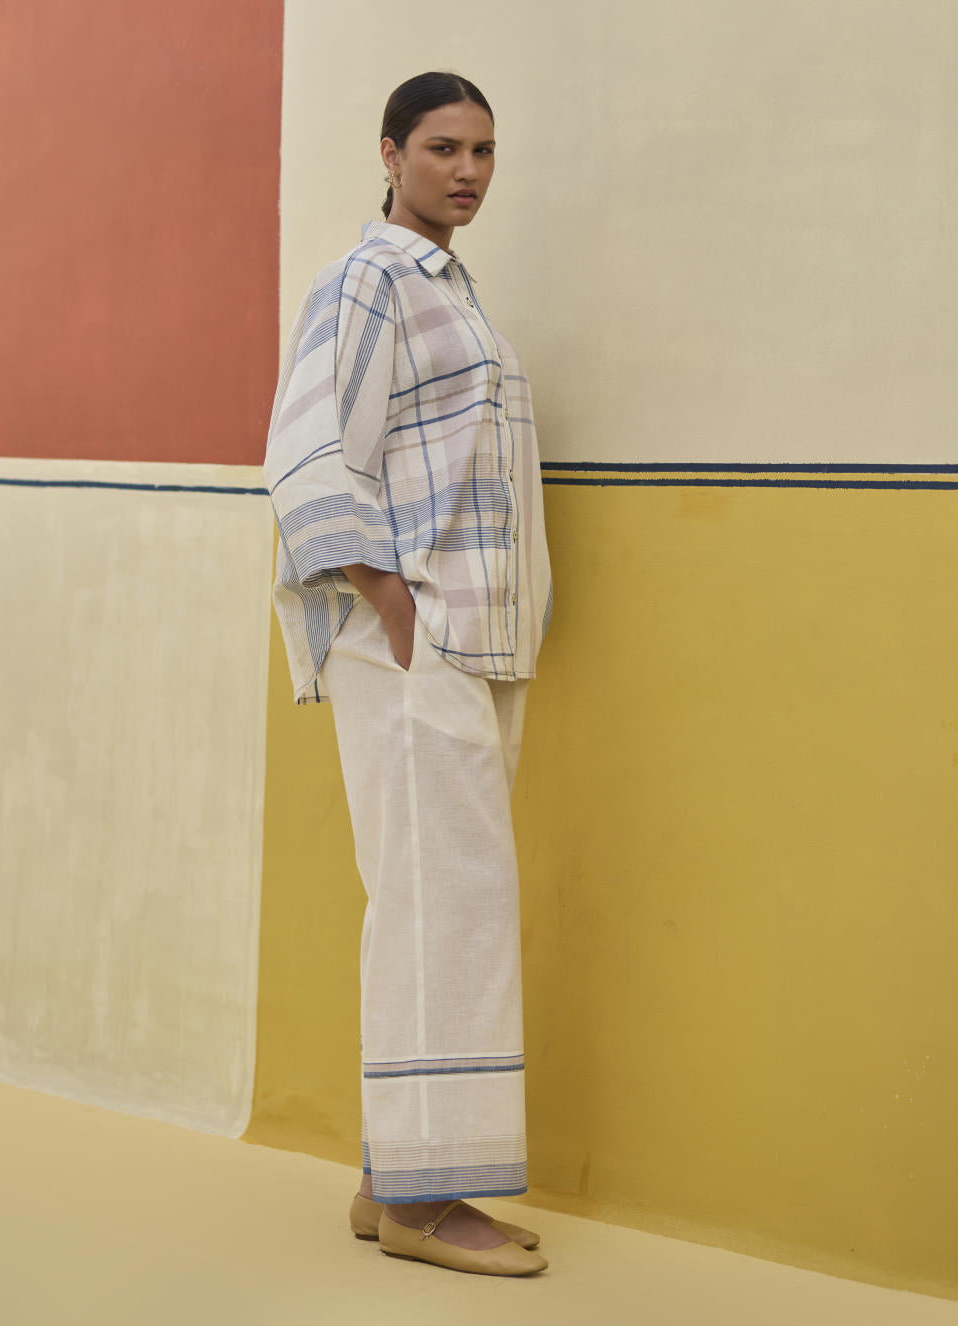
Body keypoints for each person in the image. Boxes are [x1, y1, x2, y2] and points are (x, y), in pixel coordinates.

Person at [263, 70, 553, 1277]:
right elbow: (306, 448)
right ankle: (428, 1207)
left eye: (482, 150)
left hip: (463, 644)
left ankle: (390, 1178)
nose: (467, 170)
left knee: (436, 899)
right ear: (390, 155)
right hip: (414, 638)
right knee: (447, 906)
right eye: (442, 148)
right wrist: (388, 597)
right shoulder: (372, 277)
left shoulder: (449, 288)